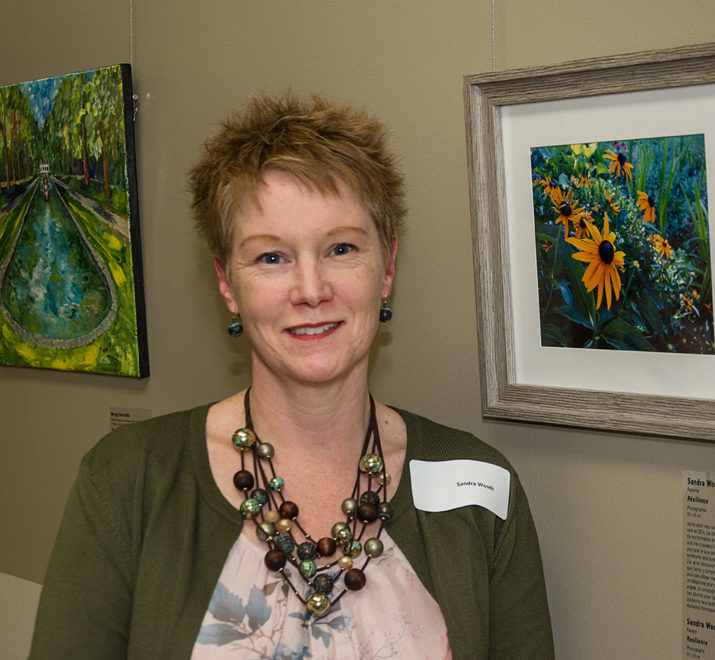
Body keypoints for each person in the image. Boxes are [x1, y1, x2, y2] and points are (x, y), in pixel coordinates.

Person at [29, 95, 554, 659]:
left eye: (341, 248)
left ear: (389, 268)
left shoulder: (483, 491)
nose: (310, 289)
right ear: (227, 283)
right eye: (271, 258)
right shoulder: (128, 481)